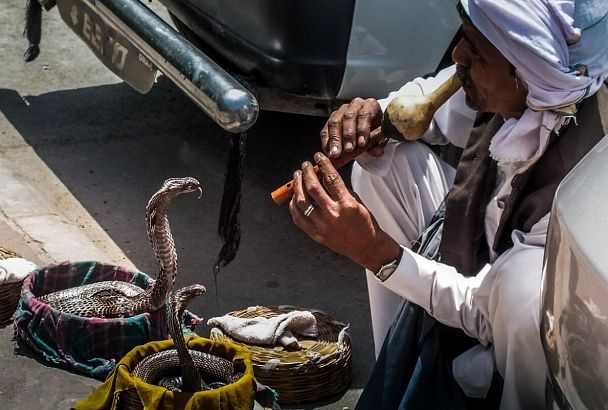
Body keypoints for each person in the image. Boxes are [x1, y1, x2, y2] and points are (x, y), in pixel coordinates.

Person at [288, 0, 608, 408]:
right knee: (386, 166)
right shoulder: (515, 87)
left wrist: (377, 253)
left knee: (523, 294)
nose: (457, 54)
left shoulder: (583, 177)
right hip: (479, 266)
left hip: (519, 325)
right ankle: (398, 365)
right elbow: (426, 102)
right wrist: (376, 116)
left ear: (527, 72)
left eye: (475, 47)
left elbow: (486, 311)